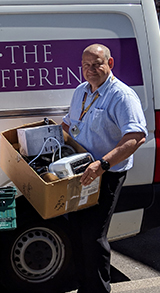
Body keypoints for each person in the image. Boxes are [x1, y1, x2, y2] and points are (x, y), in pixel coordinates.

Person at [62, 43, 147, 293]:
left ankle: (99, 289)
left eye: (97, 64)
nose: (90, 70)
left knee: (93, 236)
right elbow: (69, 125)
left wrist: (103, 163)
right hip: (80, 174)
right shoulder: (81, 91)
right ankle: (85, 288)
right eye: (86, 65)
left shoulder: (122, 95)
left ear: (109, 64)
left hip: (106, 174)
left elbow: (136, 136)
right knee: (76, 234)